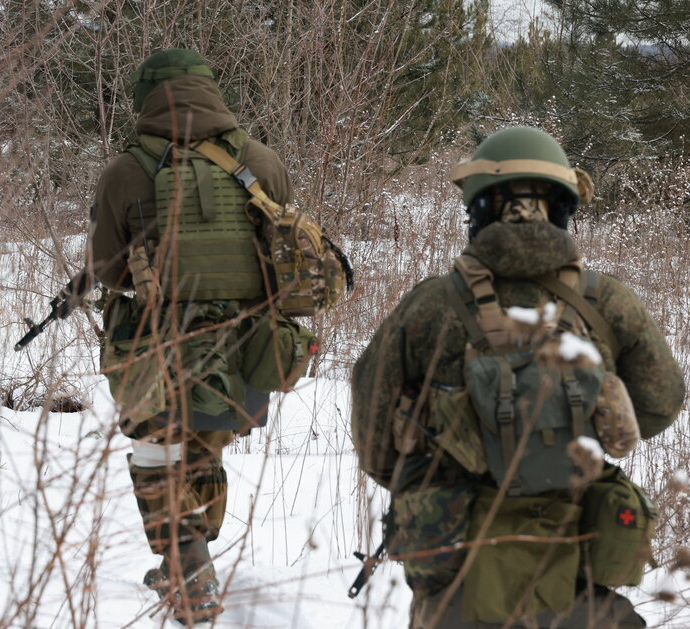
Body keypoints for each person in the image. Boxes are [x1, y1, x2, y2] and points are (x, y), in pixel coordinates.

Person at [351, 126, 685, 628]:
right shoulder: (607, 302)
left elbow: (372, 420)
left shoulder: (432, 306)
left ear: (479, 209)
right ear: (562, 209)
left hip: (457, 566)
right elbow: (663, 401)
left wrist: (430, 469)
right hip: (576, 557)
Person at [87, 48, 315, 624]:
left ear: (147, 97)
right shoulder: (260, 160)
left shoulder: (127, 170)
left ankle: (191, 571)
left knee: (156, 454)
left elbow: (110, 270)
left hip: (155, 344)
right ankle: (189, 556)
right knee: (205, 446)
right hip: (248, 347)